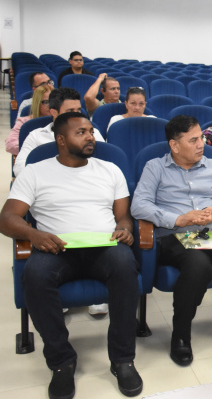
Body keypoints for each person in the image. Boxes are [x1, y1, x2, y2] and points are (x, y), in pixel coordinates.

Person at [0, 112, 143, 398]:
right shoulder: (35, 171)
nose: (90, 136)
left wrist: (125, 230)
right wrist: (34, 235)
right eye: (81, 132)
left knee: (126, 265)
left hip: (103, 247)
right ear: (61, 140)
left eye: (90, 131)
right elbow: (7, 218)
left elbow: (123, 217)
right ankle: (61, 362)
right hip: (56, 248)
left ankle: (122, 359)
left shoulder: (110, 169)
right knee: (35, 275)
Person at [131, 115, 212, 367]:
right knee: (198, 265)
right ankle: (180, 334)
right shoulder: (155, 167)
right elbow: (139, 206)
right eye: (193, 140)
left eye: (201, 137)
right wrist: (177, 219)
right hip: (175, 235)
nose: (201, 144)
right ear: (174, 145)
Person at [14, 87, 105, 177]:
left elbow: (105, 163)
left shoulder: (93, 134)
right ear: (53, 112)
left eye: (78, 110)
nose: (76, 114)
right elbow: (19, 168)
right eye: (70, 111)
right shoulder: (36, 136)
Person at [6, 83, 52, 156]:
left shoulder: (61, 121)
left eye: (53, 101)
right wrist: (34, 148)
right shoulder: (24, 122)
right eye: (46, 102)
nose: (50, 105)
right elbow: (10, 144)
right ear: (37, 103)